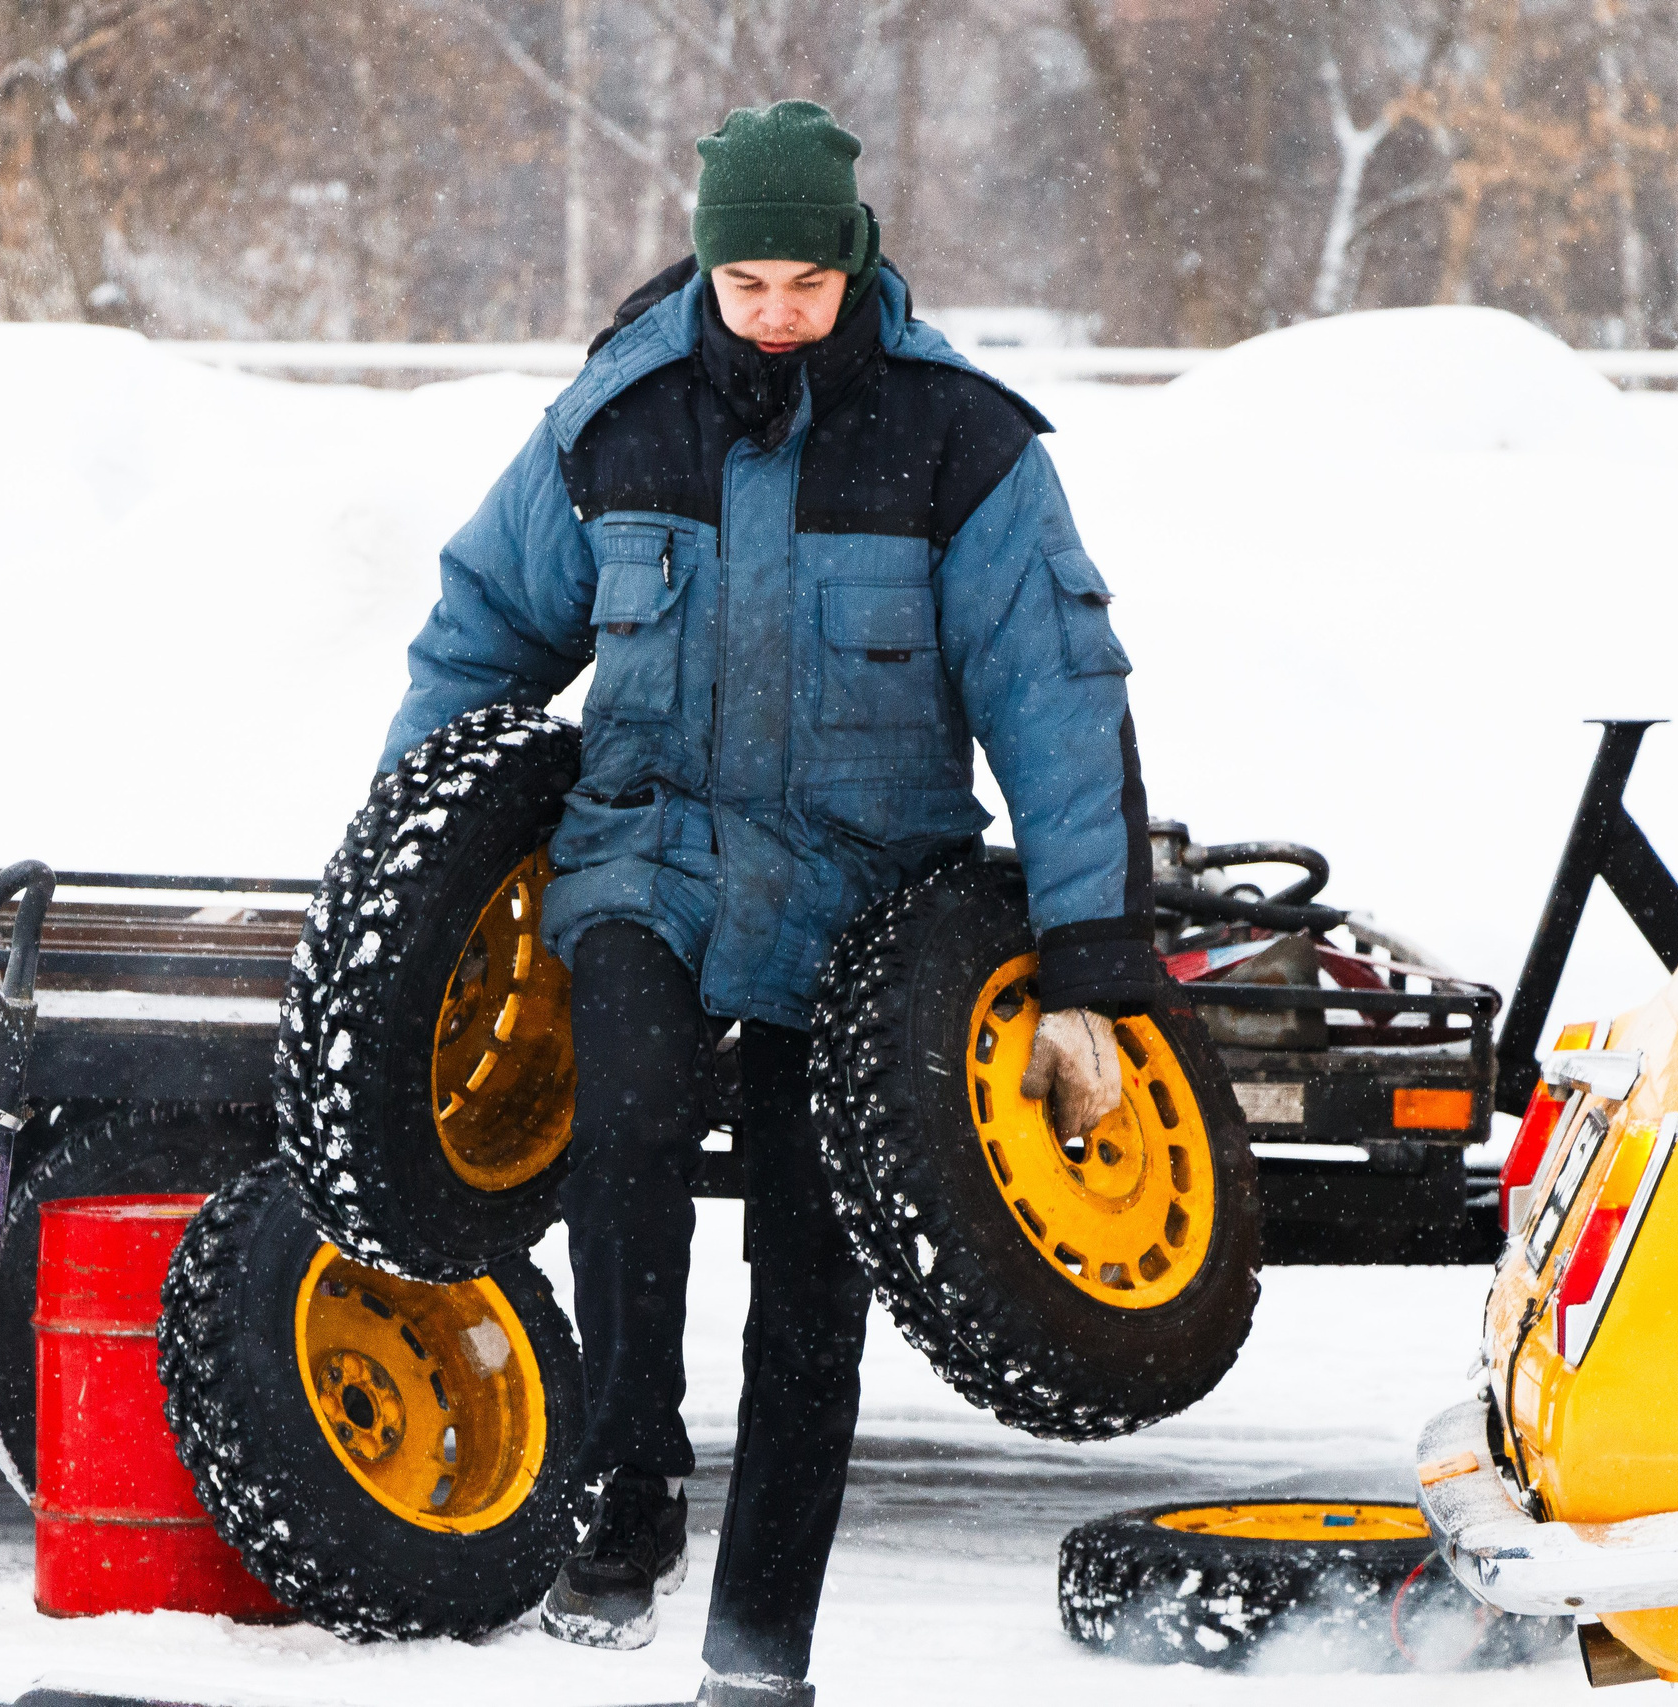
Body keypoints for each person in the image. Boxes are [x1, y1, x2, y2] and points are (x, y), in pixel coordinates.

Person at [377, 98, 1160, 1707]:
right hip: (647, 859)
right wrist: (409, 894)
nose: (782, 314)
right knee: (634, 1124)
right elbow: (478, 644)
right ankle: (625, 1485)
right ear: (710, 270)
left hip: (871, 906)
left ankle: (759, 1657)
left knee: (814, 1284)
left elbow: (1058, 695)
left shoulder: (960, 442)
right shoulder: (618, 420)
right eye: (752, 287)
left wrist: (1088, 962)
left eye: (809, 281)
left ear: (854, 257)